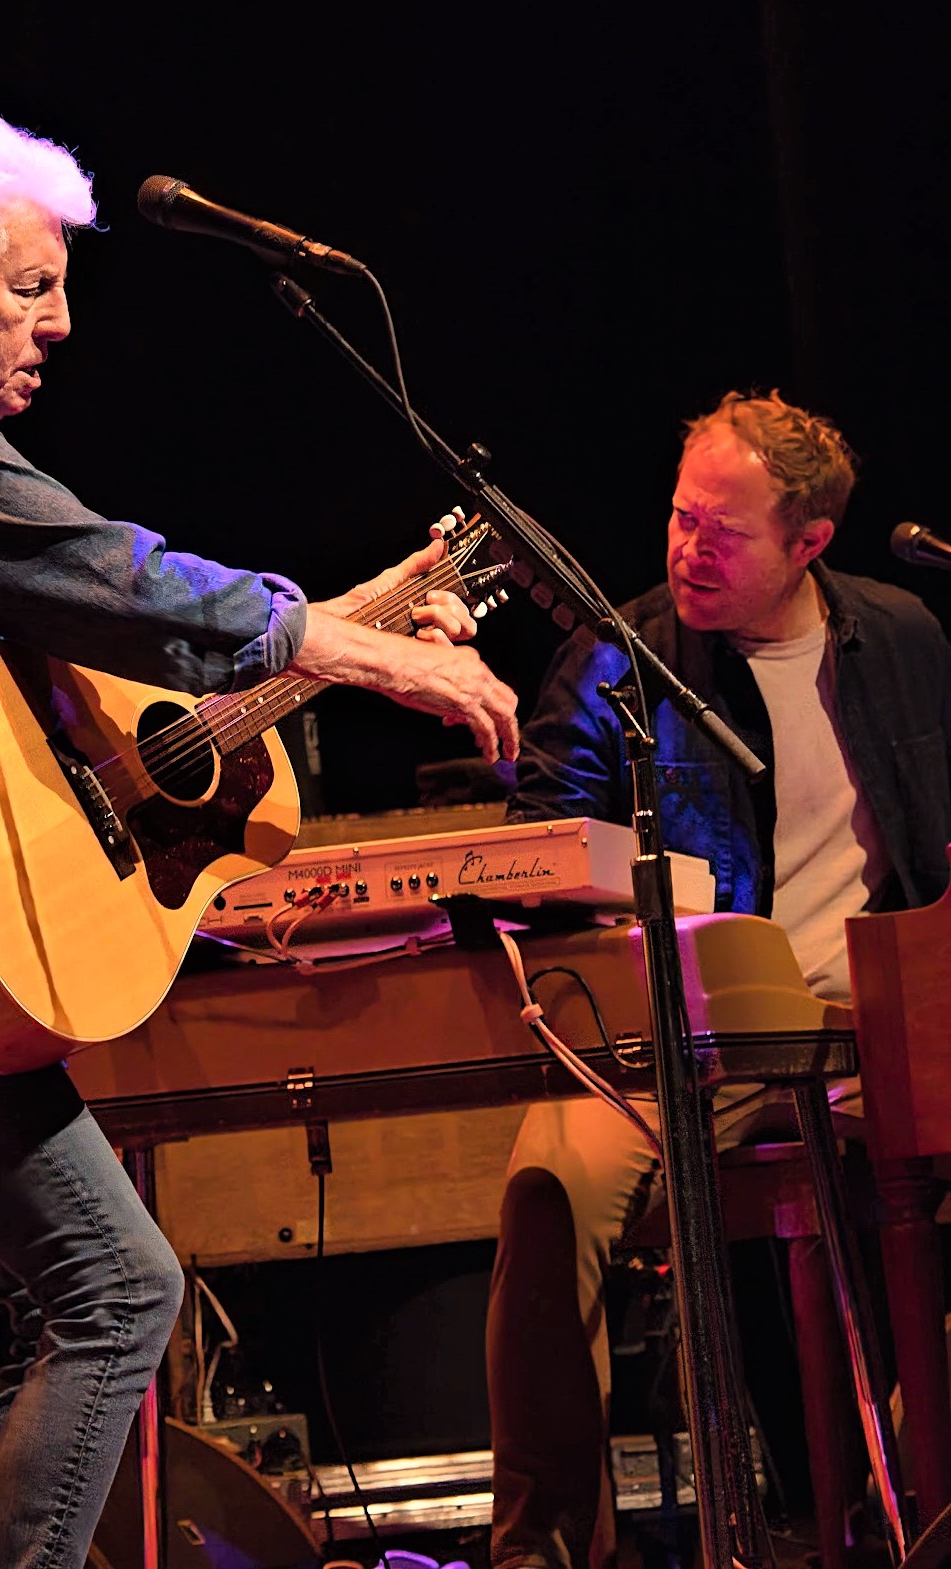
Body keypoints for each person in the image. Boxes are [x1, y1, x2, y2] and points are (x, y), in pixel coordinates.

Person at [0, 103, 519, 1569]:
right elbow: (104, 575)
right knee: (111, 1289)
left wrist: (355, 614)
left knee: (69, 1300)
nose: (63, 322)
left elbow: (95, 634)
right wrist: (356, 648)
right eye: (30, 287)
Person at [485, 389, 951, 1569]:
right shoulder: (614, 656)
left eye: (723, 532)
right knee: (549, 1185)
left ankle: (920, 1486)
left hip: (881, 1014)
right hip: (699, 1025)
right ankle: (540, 1551)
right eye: (680, 518)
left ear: (808, 544)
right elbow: (539, 842)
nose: (688, 550)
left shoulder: (900, 636)